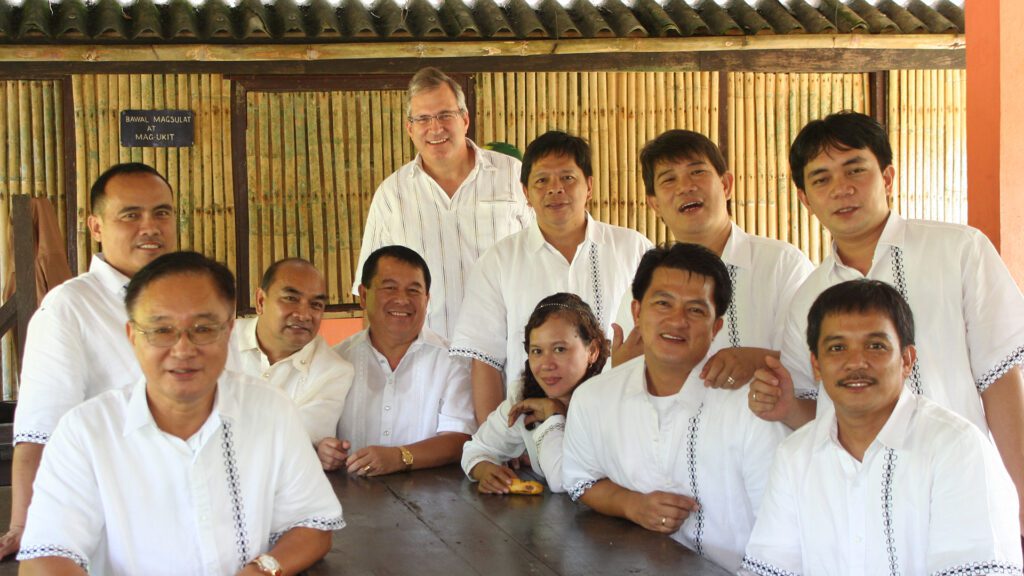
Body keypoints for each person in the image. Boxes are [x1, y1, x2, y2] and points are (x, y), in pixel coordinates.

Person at [749, 111, 1024, 532]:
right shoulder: (807, 297)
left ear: (888, 177)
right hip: (858, 506)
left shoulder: (959, 252)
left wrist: (1021, 490)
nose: (842, 188)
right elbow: (820, 413)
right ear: (805, 199)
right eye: (821, 179)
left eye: (855, 169)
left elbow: (1001, 379)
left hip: (962, 486)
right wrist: (787, 406)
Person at [17, 251, 344, 575]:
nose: (184, 349)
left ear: (228, 331)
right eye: (161, 331)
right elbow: (45, 556)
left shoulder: (271, 411)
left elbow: (313, 523)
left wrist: (261, 570)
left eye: (203, 329)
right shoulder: (86, 431)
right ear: (133, 337)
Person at [741, 279, 1021, 574]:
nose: (856, 362)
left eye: (876, 346)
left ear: (907, 360)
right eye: (837, 348)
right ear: (817, 366)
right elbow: (769, 569)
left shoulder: (957, 448)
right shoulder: (794, 457)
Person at [561, 243, 789, 572]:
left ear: (716, 328)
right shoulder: (594, 398)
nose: (677, 320)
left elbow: (779, 533)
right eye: (663, 303)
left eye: (696, 310)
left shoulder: (751, 408)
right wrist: (631, 505)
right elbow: (581, 480)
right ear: (637, 312)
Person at [4, 162, 178, 557]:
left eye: (161, 213)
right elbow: (39, 431)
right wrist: (24, 528)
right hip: (109, 525)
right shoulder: (70, 307)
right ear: (95, 226)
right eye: (130, 215)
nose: (150, 227)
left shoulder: (190, 300)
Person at [451, 130, 653, 423]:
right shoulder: (499, 261)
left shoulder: (633, 249)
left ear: (590, 185)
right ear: (526, 193)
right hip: (530, 433)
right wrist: (498, 441)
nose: (555, 189)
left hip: (623, 425)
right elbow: (485, 359)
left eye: (568, 178)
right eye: (542, 180)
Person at [612, 130, 812, 391]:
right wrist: (620, 371)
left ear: (726, 185)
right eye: (669, 179)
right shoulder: (643, 288)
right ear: (655, 205)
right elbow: (622, 377)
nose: (686, 186)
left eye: (697, 172)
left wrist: (758, 361)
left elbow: (815, 365)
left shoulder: (783, 265)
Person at [352, 67, 532, 340]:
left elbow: (544, 258)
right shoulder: (391, 196)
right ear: (410, 128)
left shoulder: (514, 176)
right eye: (423, 119)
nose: (435, 128)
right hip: (426, 360)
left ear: (464, 119)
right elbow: (370, 293)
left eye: (445, 115)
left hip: (508, 349)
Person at [318, 245, 475, 476]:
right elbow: (316, 433)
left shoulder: (453, 361)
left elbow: (460, 439)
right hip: (352, 500)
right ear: (363, 295)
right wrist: (323, 450)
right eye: (389, 288)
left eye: (413, 291)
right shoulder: (335, 361)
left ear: (427, 299)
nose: (402, 300)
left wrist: (399, 457)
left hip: (434, 502)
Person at [462, 293, 609, 494]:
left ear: (592, 351)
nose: (546, 365)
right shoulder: (525, 396)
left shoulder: (611, 396)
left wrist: (553, 416)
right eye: (537, 351)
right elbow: (475, 448)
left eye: (559, 349)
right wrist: (486, 470)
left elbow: (565, 481)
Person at [228, 258, 353, 443]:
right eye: (291, 299)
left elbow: (294, 442)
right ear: (261, 301)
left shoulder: (333, 371)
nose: (303, 315)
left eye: (316, 305)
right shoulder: (218, 342)